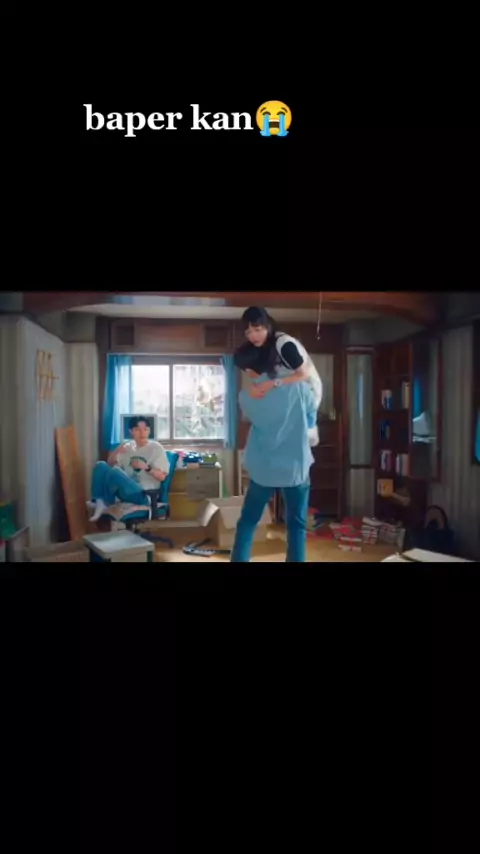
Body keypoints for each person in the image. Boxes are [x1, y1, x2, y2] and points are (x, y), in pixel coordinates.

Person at [231, 347, 317, 563]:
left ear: (249, 369)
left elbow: (251, 416)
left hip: (264, 468)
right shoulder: (299, 386)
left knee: (248, 522)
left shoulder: (246, 396)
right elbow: (311, 415)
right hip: (296, 467)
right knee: (296, 526)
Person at [236, 305, 323, 446]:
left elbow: (303, 375)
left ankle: (308, 432)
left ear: (267, 326)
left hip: (307, 390)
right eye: (248, 332)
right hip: (289, 391)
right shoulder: (264, 347)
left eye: (257, 330)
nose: (253, 336)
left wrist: (273, 384)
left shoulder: (284, 345)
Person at [88, 416, 170, 522]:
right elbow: (109, 466)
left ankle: (104, 501)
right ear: (131, 431)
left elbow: (162, 477)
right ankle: (100, 502)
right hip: (126, 491)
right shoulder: (127, 447)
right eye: (137, 429)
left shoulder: (156, 448)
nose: (142, 433)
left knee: (115, 471)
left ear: (149, 431)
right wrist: (116, 451)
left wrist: (147, 468)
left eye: (145, 429)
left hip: (143, 494)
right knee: (100, 465)